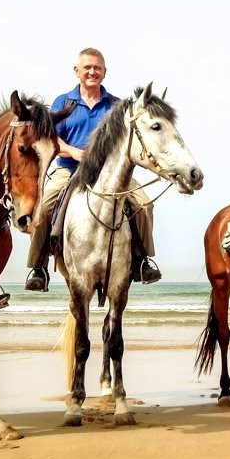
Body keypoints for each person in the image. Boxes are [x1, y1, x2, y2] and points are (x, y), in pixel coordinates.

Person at [24, 47, 161, 292]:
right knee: (43, 208)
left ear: (104, 72)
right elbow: (51, 139)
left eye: (97, 68)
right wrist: (73, 151)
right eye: (87, 67)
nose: (92, 72)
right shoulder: (63, 102)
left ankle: (142, 261)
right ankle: (38, 267)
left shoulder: (116, 104)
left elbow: (125, 141)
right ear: (76, 71)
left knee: (144, 204)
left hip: (108, 172)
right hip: (69, 169)